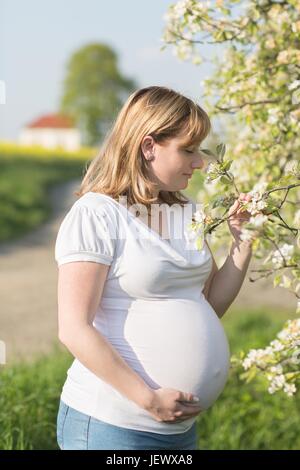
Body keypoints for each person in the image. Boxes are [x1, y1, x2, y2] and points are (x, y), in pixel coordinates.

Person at [54, 86, 253, 450]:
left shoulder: (187, 212)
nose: (200, 162)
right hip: (112, 426)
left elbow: (207, 305)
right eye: (188, 150)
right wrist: (149, 400)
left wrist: (242, 242)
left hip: (177, 430)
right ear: (149, 147)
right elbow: (73, 329)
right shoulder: (98, 214)